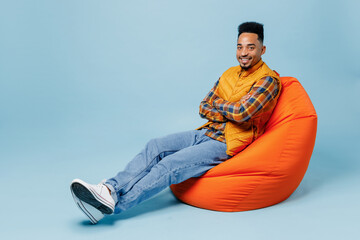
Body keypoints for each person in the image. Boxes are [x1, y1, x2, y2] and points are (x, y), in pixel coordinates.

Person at [70, 21, 281, 224]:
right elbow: (203, 107)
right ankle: (108, 190)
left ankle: (112, 206)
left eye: (250, 47)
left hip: (227, 143)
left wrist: (219, 106)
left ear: (262, 50)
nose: (244, 53)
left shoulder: (268, 80)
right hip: (206, 132)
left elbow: (242, 113)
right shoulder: (228, 74)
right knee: (155, 146)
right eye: (239, 47)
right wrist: (225, 108)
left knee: (170, 165)